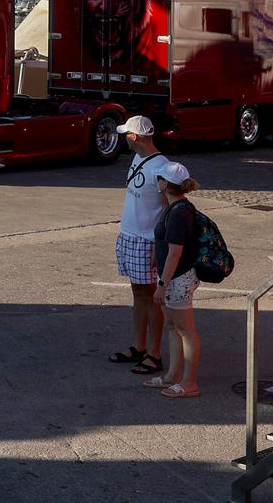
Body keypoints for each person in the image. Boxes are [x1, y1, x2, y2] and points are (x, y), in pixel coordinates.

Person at [109, 115, 168, 376]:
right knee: (138, 294)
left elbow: (167, 210)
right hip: (130, 235)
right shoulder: (137, 158)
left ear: (135, 137)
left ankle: (155, 354)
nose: (125, 138)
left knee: (152, 297)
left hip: (147, 240)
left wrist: (159, 244)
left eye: (126, 134)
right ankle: (139, 346)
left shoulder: (162, 167)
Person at [145, 162, 203, 398]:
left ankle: (189, 383)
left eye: (159, 178)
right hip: (173, 277)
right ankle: (172, 376)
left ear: (165, 184)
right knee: (173, 326)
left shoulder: (179, 213)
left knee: (185, 330)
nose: (156, 181)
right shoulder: (175, 206)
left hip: (178, 280)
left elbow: (175, 254)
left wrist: (162, 285)